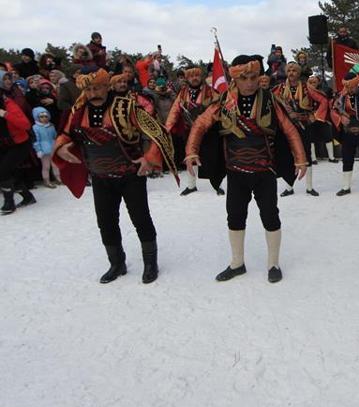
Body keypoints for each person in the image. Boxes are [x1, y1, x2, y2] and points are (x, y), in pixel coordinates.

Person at [184, 55, 307, 283]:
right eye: (244, 78)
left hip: (265, 172)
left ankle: (273, 263)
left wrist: (300, 159)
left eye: (253, 77)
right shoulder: (223, 101)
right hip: (236, 172)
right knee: (235, 217)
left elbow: (289, 129)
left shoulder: (271, 100)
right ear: (235, 79)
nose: (250, 82)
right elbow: (200, 124)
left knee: (270, 216)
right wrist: (191, 151)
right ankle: (237, 263)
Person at [52, 69, 178, 284]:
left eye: (97, 87)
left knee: (141, 219)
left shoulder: (127, 107)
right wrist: (61, 147)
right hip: (100, 177)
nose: (93, 93)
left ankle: (150, 263)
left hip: (130, 175)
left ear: (107, 86)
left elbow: (159, 132)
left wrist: (149, 158)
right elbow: (65, 134)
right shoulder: (78, 111)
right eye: (89, 89)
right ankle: (116, 263)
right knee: (106, 222)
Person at [164, 66, 224, 196]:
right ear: (187, 78)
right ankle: (191, 186)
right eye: (191, 76)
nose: (194, 78)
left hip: (209, 131)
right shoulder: (183, 92)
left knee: (211, 158)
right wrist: (167, 128)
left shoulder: (211, 91)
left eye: (196, 75)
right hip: (189, 130)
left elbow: (216, 109)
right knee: (190, 157)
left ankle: (216, 185)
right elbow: (175, 110)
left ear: (201, 76)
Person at [273, 62, 329, 197]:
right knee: (288, 156)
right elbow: (271, 102)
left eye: (294, 70)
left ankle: (309, 188)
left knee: (307, 154)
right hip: (288, 126)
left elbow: (323, 100)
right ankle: (289, 187)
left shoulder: (306, 87)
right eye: (289, 70)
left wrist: (315, 116)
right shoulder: (279, 89)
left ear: (298, 73)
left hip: (304, 125)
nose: (291, 72)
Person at [1, 90, 33, 215]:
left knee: (3, 171)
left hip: (20, 144)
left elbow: (26, 125)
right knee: (9, 171)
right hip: (5, 145)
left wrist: (5, 114)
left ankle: (9, 202)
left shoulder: (10, 105)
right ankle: (27, 196)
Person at [31, 107, 59, 188]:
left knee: (55, 164)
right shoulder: (35, 127)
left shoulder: (51, 126)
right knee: (46, 166)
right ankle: (46, 180)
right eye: (41, 117)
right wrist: (38, 150)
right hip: (44, 150)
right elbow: (36, 140)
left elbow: (55, 136)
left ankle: (58, 177)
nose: (44, 118)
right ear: (37, 117)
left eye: (46, 116)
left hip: (53, 148)